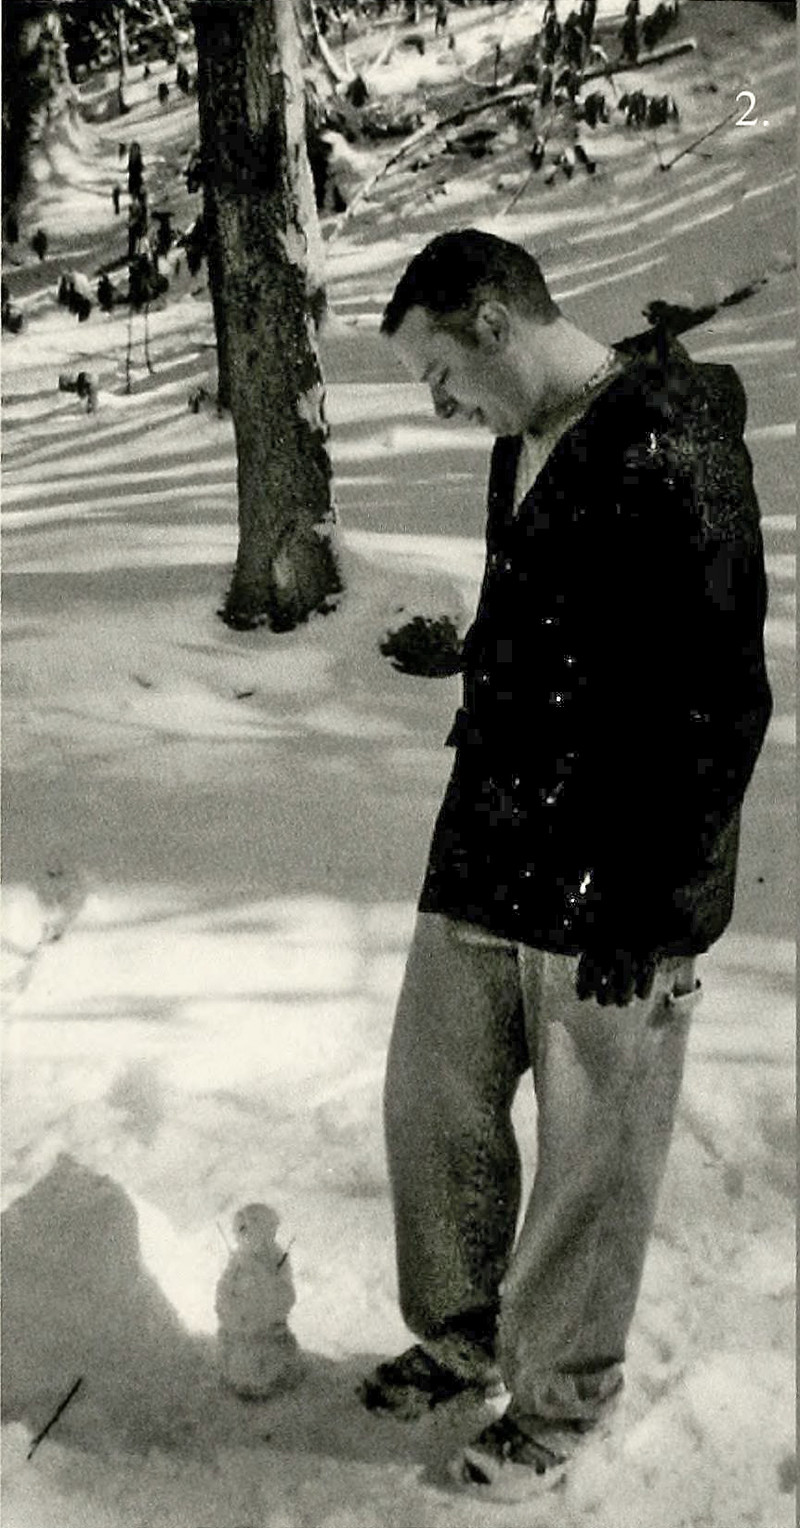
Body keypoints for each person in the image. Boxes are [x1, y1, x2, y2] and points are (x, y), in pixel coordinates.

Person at [357, 229, 772, 1501]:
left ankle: (557, 1399)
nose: (440, 405)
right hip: (490, 840)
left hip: (616, 878)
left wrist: (661, 905)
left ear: (493, 322)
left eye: (440, 372)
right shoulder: (520, 438)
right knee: (431, 1102)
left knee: (593, 1156)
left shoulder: (674, 438)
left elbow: (720, 692)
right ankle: (459, 1335)